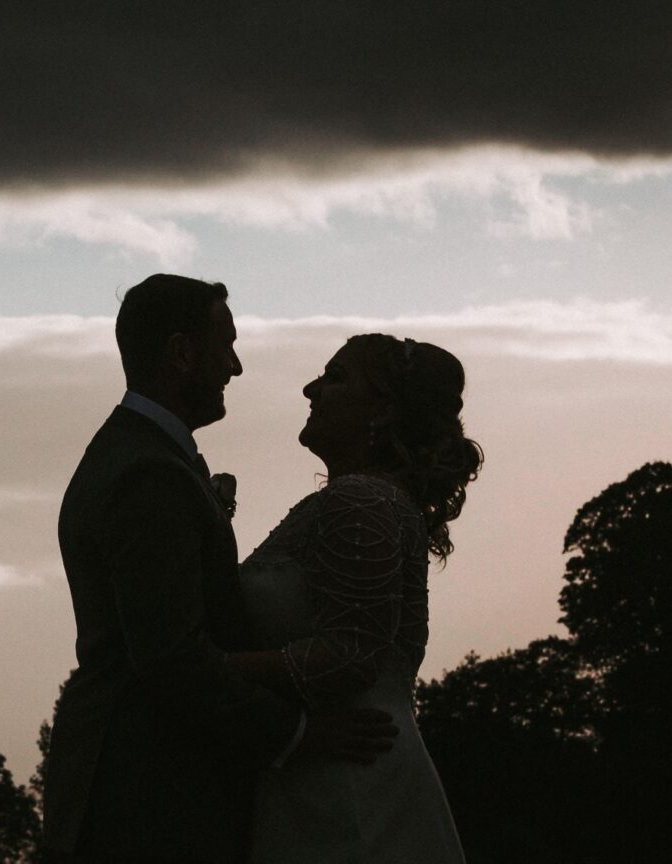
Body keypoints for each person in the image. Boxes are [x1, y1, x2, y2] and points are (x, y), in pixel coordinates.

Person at [41, 276, 398, 863]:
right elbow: (171, 660)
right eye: (225, 345)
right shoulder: (149, 475)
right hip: (150, 795)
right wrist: (299, 733)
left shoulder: (134, 455)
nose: (235, 367)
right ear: (181, 353)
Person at [223, 333, 482, 863]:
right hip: (323, 770)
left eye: (335, 377)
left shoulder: (361, 500)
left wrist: (210, 668)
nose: (310, 388)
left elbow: (352, 653)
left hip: (351, 783)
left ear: (383, 408)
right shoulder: (351, 499)